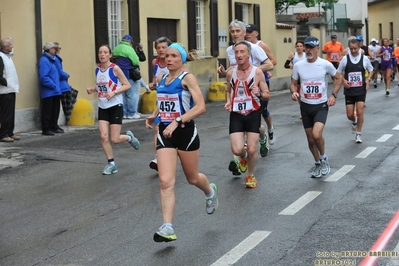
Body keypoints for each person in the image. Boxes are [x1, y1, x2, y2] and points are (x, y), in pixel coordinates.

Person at [145, 43, 218, 242]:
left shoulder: (187, 79)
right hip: (165, 134)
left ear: (182, 59)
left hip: (185, 133)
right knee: (165, 182)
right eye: (167, 55)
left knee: (192, 178)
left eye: (174, 56)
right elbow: (163, 101)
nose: (168, 59)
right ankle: (168, 227)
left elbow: (201, 107)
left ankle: (210, 191)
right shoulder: (161, 78)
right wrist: (154, 116)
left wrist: (177, 121)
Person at [218, 19, 273, 175]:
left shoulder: (255, 48)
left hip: (256, 89)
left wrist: (252, 73)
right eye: (232, 32)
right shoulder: (230, 50)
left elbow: (269, 64)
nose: (235, 34)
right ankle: (240, 158)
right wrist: (228, 73)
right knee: (241, 132)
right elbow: (233, 69)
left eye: (238, 31)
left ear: (244, 33)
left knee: (253, 125)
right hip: (238, 92)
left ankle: (259, 139)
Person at [290, 36, 342, 178]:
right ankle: (317, 163)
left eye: (311, 47)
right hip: (305, 106)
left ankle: (324, 158)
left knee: (316, 135)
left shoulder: (325, 64)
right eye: (306, 47)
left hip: (321, 105)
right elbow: (293, 83)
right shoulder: (298, 65)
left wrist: (334, 95)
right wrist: (294, 92)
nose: (308, 50)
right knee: (310, 139)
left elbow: (339, 78)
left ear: (318, 49)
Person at [86, 45, 140, 175]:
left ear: (110, 55)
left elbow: (126, 85)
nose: (102, 55)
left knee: (115, 139)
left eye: (105, 52)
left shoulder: (115, 69)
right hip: (103, 106)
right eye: (100, 52)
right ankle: (111, 164)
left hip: (115, 106)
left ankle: (129, 138)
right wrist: (93, 89)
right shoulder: (97, 69)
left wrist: (114, 92)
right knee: (104, 136)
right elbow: (100, 84)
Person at [225, 40, 271, 188]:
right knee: (237, 150)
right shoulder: (231, 73)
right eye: (236, 52)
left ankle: (250, 175)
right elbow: (228, 90)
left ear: (249, 54)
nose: (238, 55)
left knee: (252, 149)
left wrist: (260, 93)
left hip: (253, 112)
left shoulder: (256, 72)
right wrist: (228, 101)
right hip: (237, 114)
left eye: (242, 52)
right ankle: (242, 158)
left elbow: (267, 94)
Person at [245, 23, 277, 157]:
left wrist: (264, 70)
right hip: (246, 82)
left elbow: (273, 61)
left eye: (250, 32)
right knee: (249, 113)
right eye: (246, 31)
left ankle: (269, 129)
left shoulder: (261, 45)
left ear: (256, 33)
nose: (247, 34)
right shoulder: (243, 46)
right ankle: (252, 141)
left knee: (263, 112)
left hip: (261, 81)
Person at [336, 38, 374, 143]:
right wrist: (344, 80)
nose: (353, 51)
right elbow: (338, 73)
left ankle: (358, 134)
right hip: (349, 90)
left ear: (359, 47)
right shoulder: (345, 59)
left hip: (361, 88)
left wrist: (368, 79)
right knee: (349, 115)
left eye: (355, 49)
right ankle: (354, 121)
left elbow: (371, 70)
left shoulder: (364, 59)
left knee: (360, 111)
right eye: (351, 49)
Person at [148, 37, 172, 171]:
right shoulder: (155, 62)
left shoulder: (175, 62)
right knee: (158, 128)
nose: (161, 50)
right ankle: (158, 158)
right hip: (161, 101)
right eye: (158, 48)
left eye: (163, 47)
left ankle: (173, 154)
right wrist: (153, 84)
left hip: (175, 102)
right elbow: (155, 80)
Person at [112, 34, 141, 119]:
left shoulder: (116, 48)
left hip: (117, 74)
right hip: (129, 73)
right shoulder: (129, 48)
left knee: (122, 94)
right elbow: (136, 61)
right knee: (132, 94)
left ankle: (123, 113)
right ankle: (131, 113)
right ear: (129, 41)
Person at [38, 42, 63, 136]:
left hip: (55, 90)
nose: (55, 50)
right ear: (49, 50)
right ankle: (46, 128)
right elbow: (43, 77)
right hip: (49, 91)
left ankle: (54, 126)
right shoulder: (44, 60)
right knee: (47, 110)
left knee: (55, 109)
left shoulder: (52, 59)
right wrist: (53, 85)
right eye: (53, 48)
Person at [0, 38, 20, 142]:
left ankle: (10, 132)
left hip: (11, 89)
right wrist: (6, 83)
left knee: (11, 113)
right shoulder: (1, 57)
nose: (12, 46)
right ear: (6, 47)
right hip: (4, 90)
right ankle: (3, 134)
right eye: (11, 45)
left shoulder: (8, 57)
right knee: (6, 113)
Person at [284, 40, 306, 119]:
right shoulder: (293, 55)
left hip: (304, 77)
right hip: (295, 77)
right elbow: (285, 65)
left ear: (303, 47)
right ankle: (302, 110)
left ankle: (303, 111)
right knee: (298, 96)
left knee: (303, 94)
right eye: (298, 46)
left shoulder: (306, 55)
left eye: (301, 46)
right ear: (296, 47)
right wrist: (291, 66)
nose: (299, 48)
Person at [54, 41, 70, 130]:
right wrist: (66, 75)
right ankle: (55, 124)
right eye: (59, 48)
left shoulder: (56, 58)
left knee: (58, 105)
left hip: (60, 84)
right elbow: (59, 72)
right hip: (60, 85)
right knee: (61, 105)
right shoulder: (56, 59)